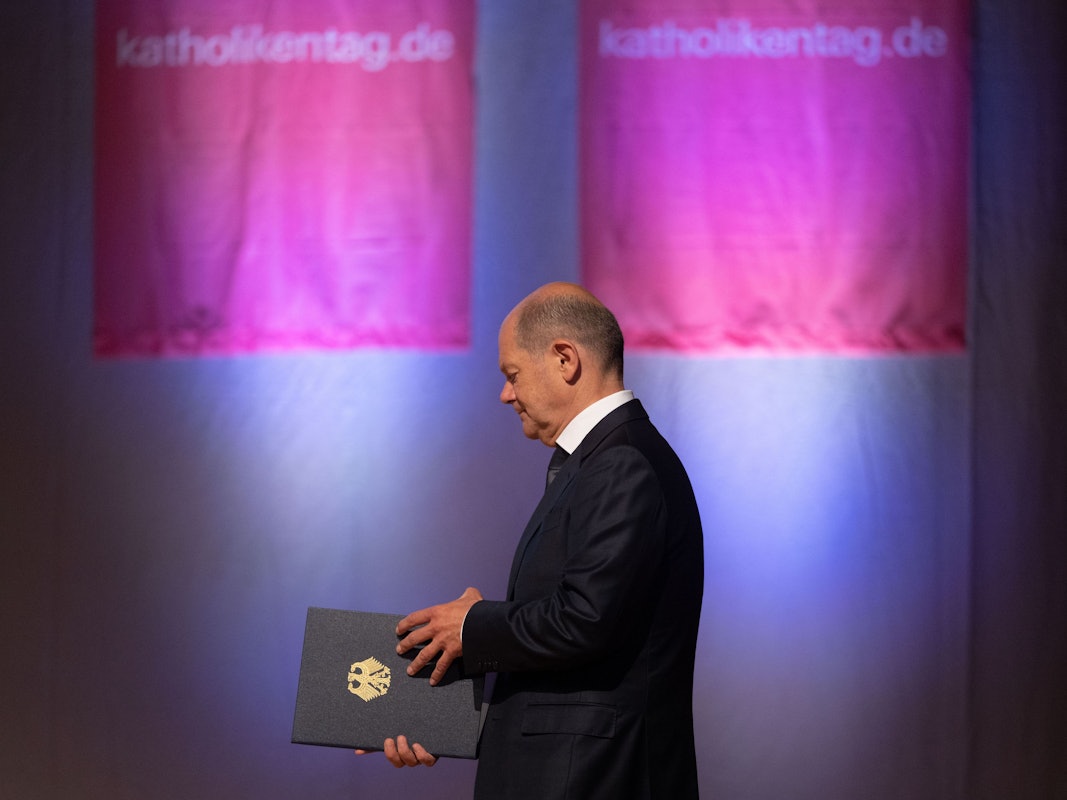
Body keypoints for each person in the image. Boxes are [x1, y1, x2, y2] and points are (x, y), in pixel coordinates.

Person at [381, 282, 704, 799]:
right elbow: (576, 648)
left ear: (564, 359)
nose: (506, 395)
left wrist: (473, 624)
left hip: (594, 779)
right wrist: (430, 712)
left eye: (513, 375)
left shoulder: (621, 464)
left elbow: (584, 620)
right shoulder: (603, 460)